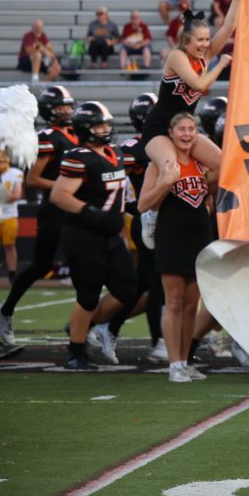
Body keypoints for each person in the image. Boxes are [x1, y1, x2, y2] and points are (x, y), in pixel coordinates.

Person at [48, 102, 137, 370]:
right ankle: (76, 352)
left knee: (126, 289)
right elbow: (59, 195)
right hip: (84, 235)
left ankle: (82, 327)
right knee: (87, 296)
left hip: (111, 236)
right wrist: (89, 212)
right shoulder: (78, 156)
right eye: (99, 125)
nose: (105, 129)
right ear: (86, 129)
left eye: (106, 124)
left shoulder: (115, 153)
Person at [140, 0, 244, 186]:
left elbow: (229, 26)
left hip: (186, 128)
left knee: (223, 166)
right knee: (172, 173)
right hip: (159, 128)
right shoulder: (177, 56)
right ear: (186, 41)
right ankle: (154, 211)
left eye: (207, 39)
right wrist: (221, 64)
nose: (206, 44)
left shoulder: (205, 55)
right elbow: (198, 84)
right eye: (200, 40)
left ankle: (198, 199)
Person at [137, 112, 214, 382]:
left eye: (191, 129)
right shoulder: (160, 165)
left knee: (192, 304)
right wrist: (165, 182)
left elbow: (210, 197)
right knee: (174, 302)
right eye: (181, 129)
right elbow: (143, 204)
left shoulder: (202, 163)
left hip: (199, 236)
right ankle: (174, 365)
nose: (187, 134)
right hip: (172, 236)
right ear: (170, 134)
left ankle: (186, 362)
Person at [0, 87, 76, 344]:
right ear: (49, 111)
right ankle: (6, 310)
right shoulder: (48, 137)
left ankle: (90, 324)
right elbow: (33, 178)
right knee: (41, 266)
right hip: (55, 209)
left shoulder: (76, 134)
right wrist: (67, 188)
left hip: (76, 209)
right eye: (61, 107)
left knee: (89, 265)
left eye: (68, 106)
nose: (67, 111)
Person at [98, 93, 167, 364]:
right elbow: (114, 174)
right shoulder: (135, 147)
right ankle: (159, 342)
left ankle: (109, 326)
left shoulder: (164, 142)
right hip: (148, 218)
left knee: (143, 282)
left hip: (168, 219)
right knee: (157, 282)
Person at [0, 148, 23, 284]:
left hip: (9, 214)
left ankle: (12, 273)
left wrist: (0, 198)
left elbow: (16, 196)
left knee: (9, 245)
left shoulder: (15, 173)